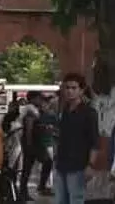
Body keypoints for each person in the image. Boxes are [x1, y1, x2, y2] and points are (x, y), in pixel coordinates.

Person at [53, 73, 99, 204]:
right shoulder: (65, 111)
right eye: (67, 88)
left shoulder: (89, 113)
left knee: (76, 199)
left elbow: (94, 141)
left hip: (79, 165)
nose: (70, 91)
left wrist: (90, 165)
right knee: (60, 200)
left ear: (81, 90)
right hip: (61, 163)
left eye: (74, 88)